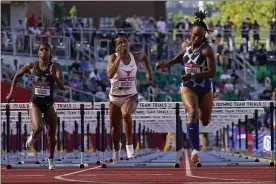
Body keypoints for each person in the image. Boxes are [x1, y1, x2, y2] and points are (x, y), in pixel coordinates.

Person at [156, 10, 216, 165]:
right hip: (188, 86)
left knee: (205, 121)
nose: (196, 38)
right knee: (192, 112)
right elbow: (179, 58)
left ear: (204, 37)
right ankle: (195, 150)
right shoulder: (187, 45)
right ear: (190, 32)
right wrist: (165, 64)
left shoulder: (207, 50)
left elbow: (212, 72)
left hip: (204, 87)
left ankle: (198, 133)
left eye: (200, 36)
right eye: (194, 34)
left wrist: (193, 75)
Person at [6, 43, 65, 170]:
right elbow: (16, 75)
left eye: (46, 50)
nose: (44, 52)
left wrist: (54, 75)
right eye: (41, 50)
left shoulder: (55, 66)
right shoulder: (31, 66)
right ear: (38, 53)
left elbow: (62, 86)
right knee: (38, 127)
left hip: (49, 104)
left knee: (52, 135)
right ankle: (33, 135)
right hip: (35, 103)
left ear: (50, 53)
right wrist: (11, 93)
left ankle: (51, 159)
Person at [107, 33, 153, 163]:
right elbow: (110, 74)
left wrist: (149, 72)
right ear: (115, 47)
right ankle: (116, 150)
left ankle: (129, 145)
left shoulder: (135, 56)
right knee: (115, 127)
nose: (123, 45)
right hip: (115, 98)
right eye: (120, 43)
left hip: (131, 95)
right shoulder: (112, 57)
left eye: (125, 42)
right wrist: (118, 59)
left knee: (126, 113)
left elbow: (144, 56)